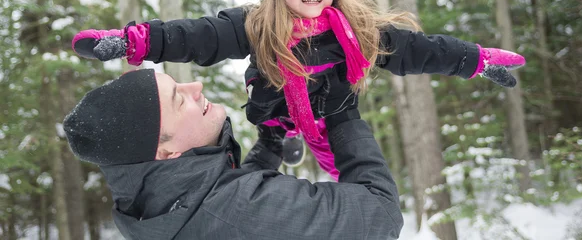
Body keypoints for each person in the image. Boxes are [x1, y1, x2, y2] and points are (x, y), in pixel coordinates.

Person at [72, 0, 526, 181]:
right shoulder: (255, 24)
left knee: (359, 172)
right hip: (275, 111)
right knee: (264, 157)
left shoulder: (355, 26)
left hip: (338, 113)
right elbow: (196, 36)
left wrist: (475, 60)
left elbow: (417, 49)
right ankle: (279, 148)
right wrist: (133, 42)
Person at [63, 69, 404, 240]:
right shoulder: (243, 213)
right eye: (178, 99)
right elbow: (381, 211)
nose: (195, 87)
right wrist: (342, 113)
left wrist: (271, 141)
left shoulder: (146, 207)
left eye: (178, 83)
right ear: (165, 150)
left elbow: (222, 199)